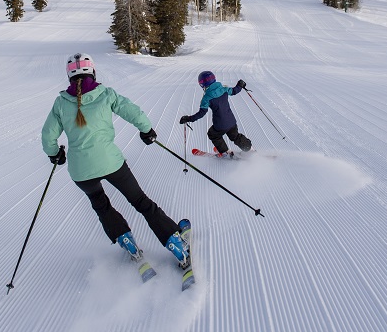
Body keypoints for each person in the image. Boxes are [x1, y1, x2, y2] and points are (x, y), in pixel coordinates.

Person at [42, 52, 189, 267]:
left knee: (101, 206)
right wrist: (146, 130)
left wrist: (54, 153)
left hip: (81, 171)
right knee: (140, 202)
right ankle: (175, 241)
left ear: (70, 77)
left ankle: (125, 239)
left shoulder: (61, 103)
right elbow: (132, 111)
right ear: (92, 71)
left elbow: (48, 135)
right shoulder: (106, 94)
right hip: (111, 163)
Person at [179, 70, 253, 157]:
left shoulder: (206, 98)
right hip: (231, 121)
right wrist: (240, 85)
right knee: (235, 136)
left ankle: (226, 152)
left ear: (202, 84)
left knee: (213, 134)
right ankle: (250, 149)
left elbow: (201, 113)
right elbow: (234, 91)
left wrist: (188, 118)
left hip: (220, 125)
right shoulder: (224, 89)